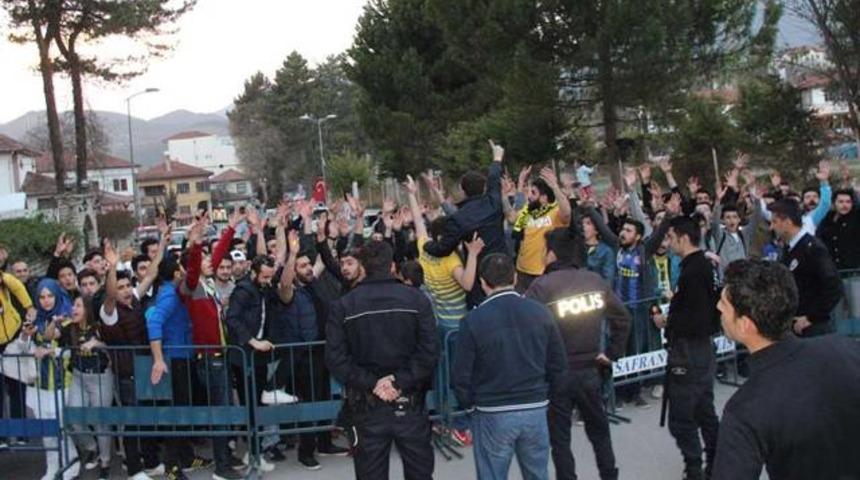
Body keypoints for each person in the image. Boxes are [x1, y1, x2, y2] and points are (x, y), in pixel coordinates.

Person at [712, 259, 860, 479]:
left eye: (724, 304)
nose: (717, 308)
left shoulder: (745, 409)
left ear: (746, 324)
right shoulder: (846, 348)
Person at [326, 240, 438, 480]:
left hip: (373, 404)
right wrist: (394, 382)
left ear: (363, 266)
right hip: (404, 401)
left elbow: (336, 359)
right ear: (393, 266)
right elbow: (429, 351)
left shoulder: (344, 305)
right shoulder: (416, 300)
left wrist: (381, 383)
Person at [525, 229, 630, 480]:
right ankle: (609, 475)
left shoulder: (541, 286)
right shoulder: (593, 280)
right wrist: (611, 353)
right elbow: (623, 318)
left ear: (551, 254)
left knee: (560, 439)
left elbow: (527, 329)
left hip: (558, 374)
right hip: (591, 369)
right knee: (599, 431)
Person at [453, 253, 567, 480]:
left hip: (492, 410)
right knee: (538, 473)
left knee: (492, 475)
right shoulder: (540, 312)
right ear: (515, 277)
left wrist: (470, 405)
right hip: (535, 406)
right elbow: (558, 364)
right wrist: (549, 398)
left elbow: (460, 374)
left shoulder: (473, 320)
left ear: (483, 282)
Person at [652, 216, 721, 480]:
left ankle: (695, 468)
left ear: (682, 237)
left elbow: (696, 315)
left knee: (682, 419)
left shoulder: (694, 271)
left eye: (670, 238)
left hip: (689, 352)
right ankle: (714, 461)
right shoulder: (703, 265)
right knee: (704, 409)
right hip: (700, 349)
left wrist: (669, 321)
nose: (668, 244)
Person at [101, 239, 163, 480]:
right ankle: (134, 469)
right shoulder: (109, 311)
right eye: (121, 286)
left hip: (145, 368)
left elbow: (152, 273)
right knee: (132, 422)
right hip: (126, 374)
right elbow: (108, 295)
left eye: (128, 285)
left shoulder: (135, 299)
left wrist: (163, 239)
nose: (126, 289)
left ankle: (151, 462)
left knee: (147, 420)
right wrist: (112, 268)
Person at [145, 257, 212, 480]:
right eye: (182, 269)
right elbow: (154, 322)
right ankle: (171, 467)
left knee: (184, 411)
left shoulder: (173, 291)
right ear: (175, 274)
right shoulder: (169, 295)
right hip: (175, 359)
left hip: (184, 355)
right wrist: (158, 359)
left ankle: (186, 456)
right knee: (177, 413)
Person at [423, 141, 507, 305]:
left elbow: (443, 249)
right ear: (484, 188)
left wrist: (426, 244)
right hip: (504, 270)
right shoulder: (494, 203)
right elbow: (494, 178)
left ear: (462, 190)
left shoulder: (459, 218)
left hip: (479, 279)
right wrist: (497, 158)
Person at [55, 295, 114, 479]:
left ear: (87, 309)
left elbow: (112, 347)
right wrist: (53, 323)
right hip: (78, 376)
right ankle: (91, 447)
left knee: (100, 421)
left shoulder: (99, 328)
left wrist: (96, 342)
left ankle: (105, 462)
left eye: (78, 305)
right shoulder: (69, 328)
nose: (74, 308)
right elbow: (51, 336)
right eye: (73, 305)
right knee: (73, 417)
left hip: (100, 377)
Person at [767, 198, 843, 337]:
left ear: (787, 222)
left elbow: (834, 286)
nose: (771, 227)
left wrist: (812, 317)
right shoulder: (788, 249)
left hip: (814, 330)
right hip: (794, 327)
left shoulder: (812, 248)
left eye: (774, 222)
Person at [510, 167, 572, 292]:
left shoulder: (554, 212)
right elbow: (511, 218)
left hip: (544, 272)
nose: (529, 196)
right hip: (522, 272)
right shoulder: (527, 211)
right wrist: (510, 190)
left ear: (544, 198)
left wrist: (555, 187)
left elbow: (566, 214)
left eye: (533, 193)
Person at [0, 269, 36, 450]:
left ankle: (21, 432)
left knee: (16, 387)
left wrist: (29, 306)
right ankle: (2, 436)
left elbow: (17, 286)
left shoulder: (4, 279)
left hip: (12, 336)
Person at [817, 188, 860, 270]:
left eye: (848, 202)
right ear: (834, 203)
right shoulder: (827, 219)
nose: (845, 205)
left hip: (853, 270)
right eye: (841, 202)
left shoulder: (856, 218)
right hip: (833, 271)